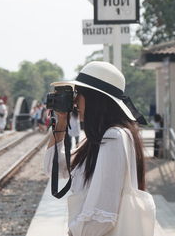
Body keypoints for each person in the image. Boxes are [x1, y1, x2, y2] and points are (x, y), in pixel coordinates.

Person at [44, 61, 155, 236]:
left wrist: (74, 232)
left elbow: (103, 216)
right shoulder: (99, 140)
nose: (75, 103)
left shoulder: (115, 138)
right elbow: (55, 169)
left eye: (79, 95)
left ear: (95, 99)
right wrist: (60, 123)